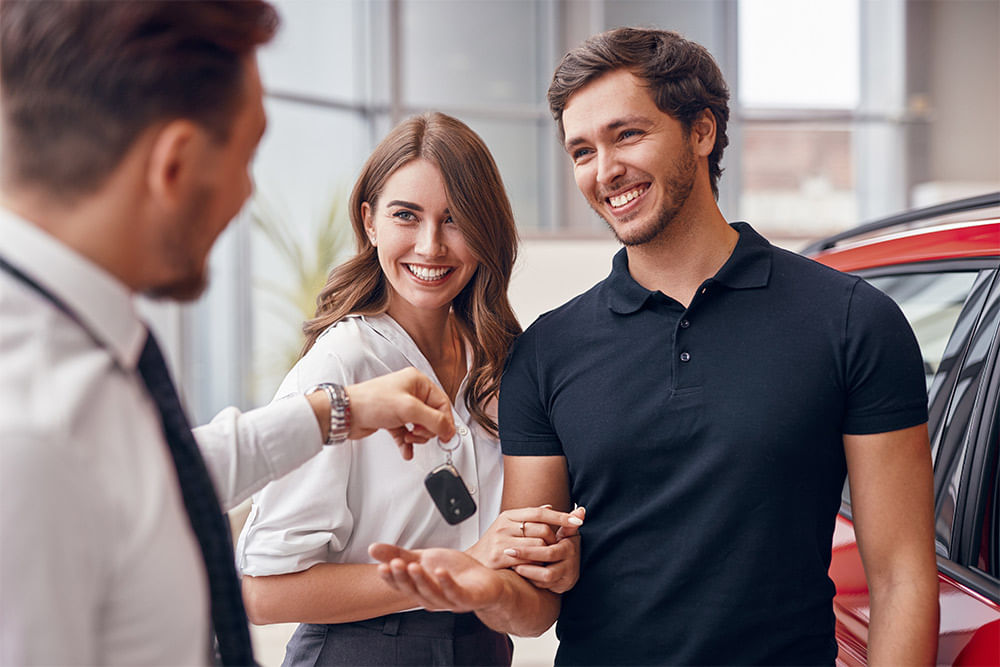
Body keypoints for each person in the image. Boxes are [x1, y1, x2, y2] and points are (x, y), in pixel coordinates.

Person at [370, 27, 940, 665]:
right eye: (582, 150)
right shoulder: (548, 350)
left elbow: (901, 578)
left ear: (702, 132)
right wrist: (486, 589)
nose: (605, 170)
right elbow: (534, 604)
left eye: (627, 135)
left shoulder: (853, 322)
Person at [0, 2, 462, 665]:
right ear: (176, 163)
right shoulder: (35, 428)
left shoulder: (74, 349)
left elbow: (174, 468)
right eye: (248, 157)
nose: (248, 192)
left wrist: (340, 410)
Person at [236, 111, 584, 667]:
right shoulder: (342, 364)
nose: (430, 245)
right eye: (407, 216)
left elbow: (533, 609)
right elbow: (264, 590)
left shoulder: (501, 367)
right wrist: (461, 566)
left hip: (483, 649)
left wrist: (552, 567)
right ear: (370, 222)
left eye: (455, 219)